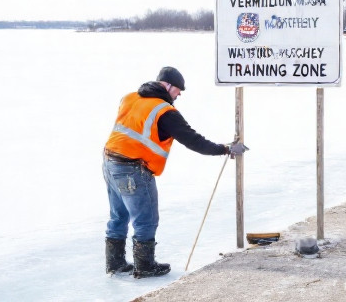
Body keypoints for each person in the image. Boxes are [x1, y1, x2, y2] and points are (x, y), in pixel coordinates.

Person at [102, 66, 247, 279]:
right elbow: (193, 140)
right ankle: (144, 266)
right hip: (133, 168)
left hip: (109, 162)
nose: (179, 95)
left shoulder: (130, 98)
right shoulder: (164, 112)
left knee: (119, 215)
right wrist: (224, 149)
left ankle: (114, 264)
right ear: (167, 86)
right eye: (178, 90)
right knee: (146, 219)